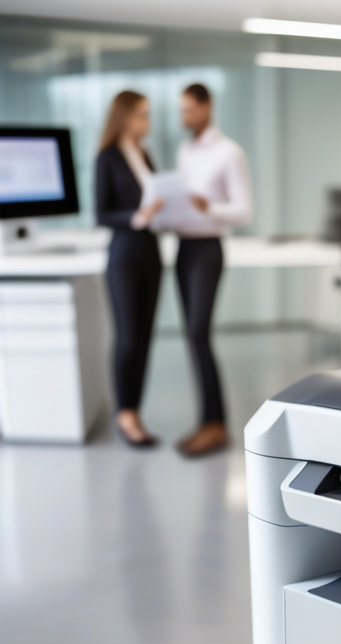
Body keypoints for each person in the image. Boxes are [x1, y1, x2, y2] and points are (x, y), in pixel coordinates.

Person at [174, 83, 253, 457]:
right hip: (183, 248)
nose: (184, 117)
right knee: (191, 337)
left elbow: (244, 211)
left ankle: (216, 424)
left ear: (207, 107)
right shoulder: (185, 151)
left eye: (189, 109)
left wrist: (210, 208)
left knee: (198, 333)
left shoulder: (229, 152)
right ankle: (205, 421)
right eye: (182, 110)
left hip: (208, 249)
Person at [96, 91, 164, 447]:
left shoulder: (144, 154)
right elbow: (102, 213)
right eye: (141, 114)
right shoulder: (107, 157)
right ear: (124, 116)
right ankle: (125, 414)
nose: (147, 120)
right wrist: (136, 217)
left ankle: (135, 409)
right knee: (127, 338)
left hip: (151, 254)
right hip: (123, 255)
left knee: (145, 338)